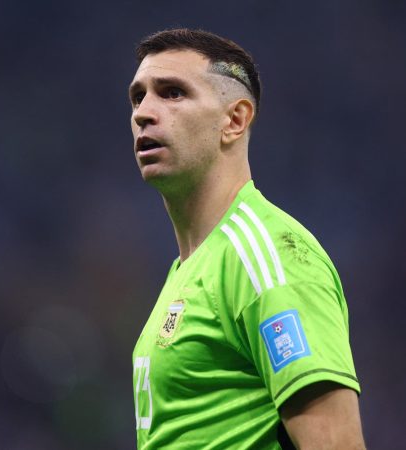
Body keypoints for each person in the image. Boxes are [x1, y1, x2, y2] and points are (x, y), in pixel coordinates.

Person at [129, 28, 365, 449]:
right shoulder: (190, 268)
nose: (143, 113)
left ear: (234, 120)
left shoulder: (269, 254)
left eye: (172, 93)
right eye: (138, 97)